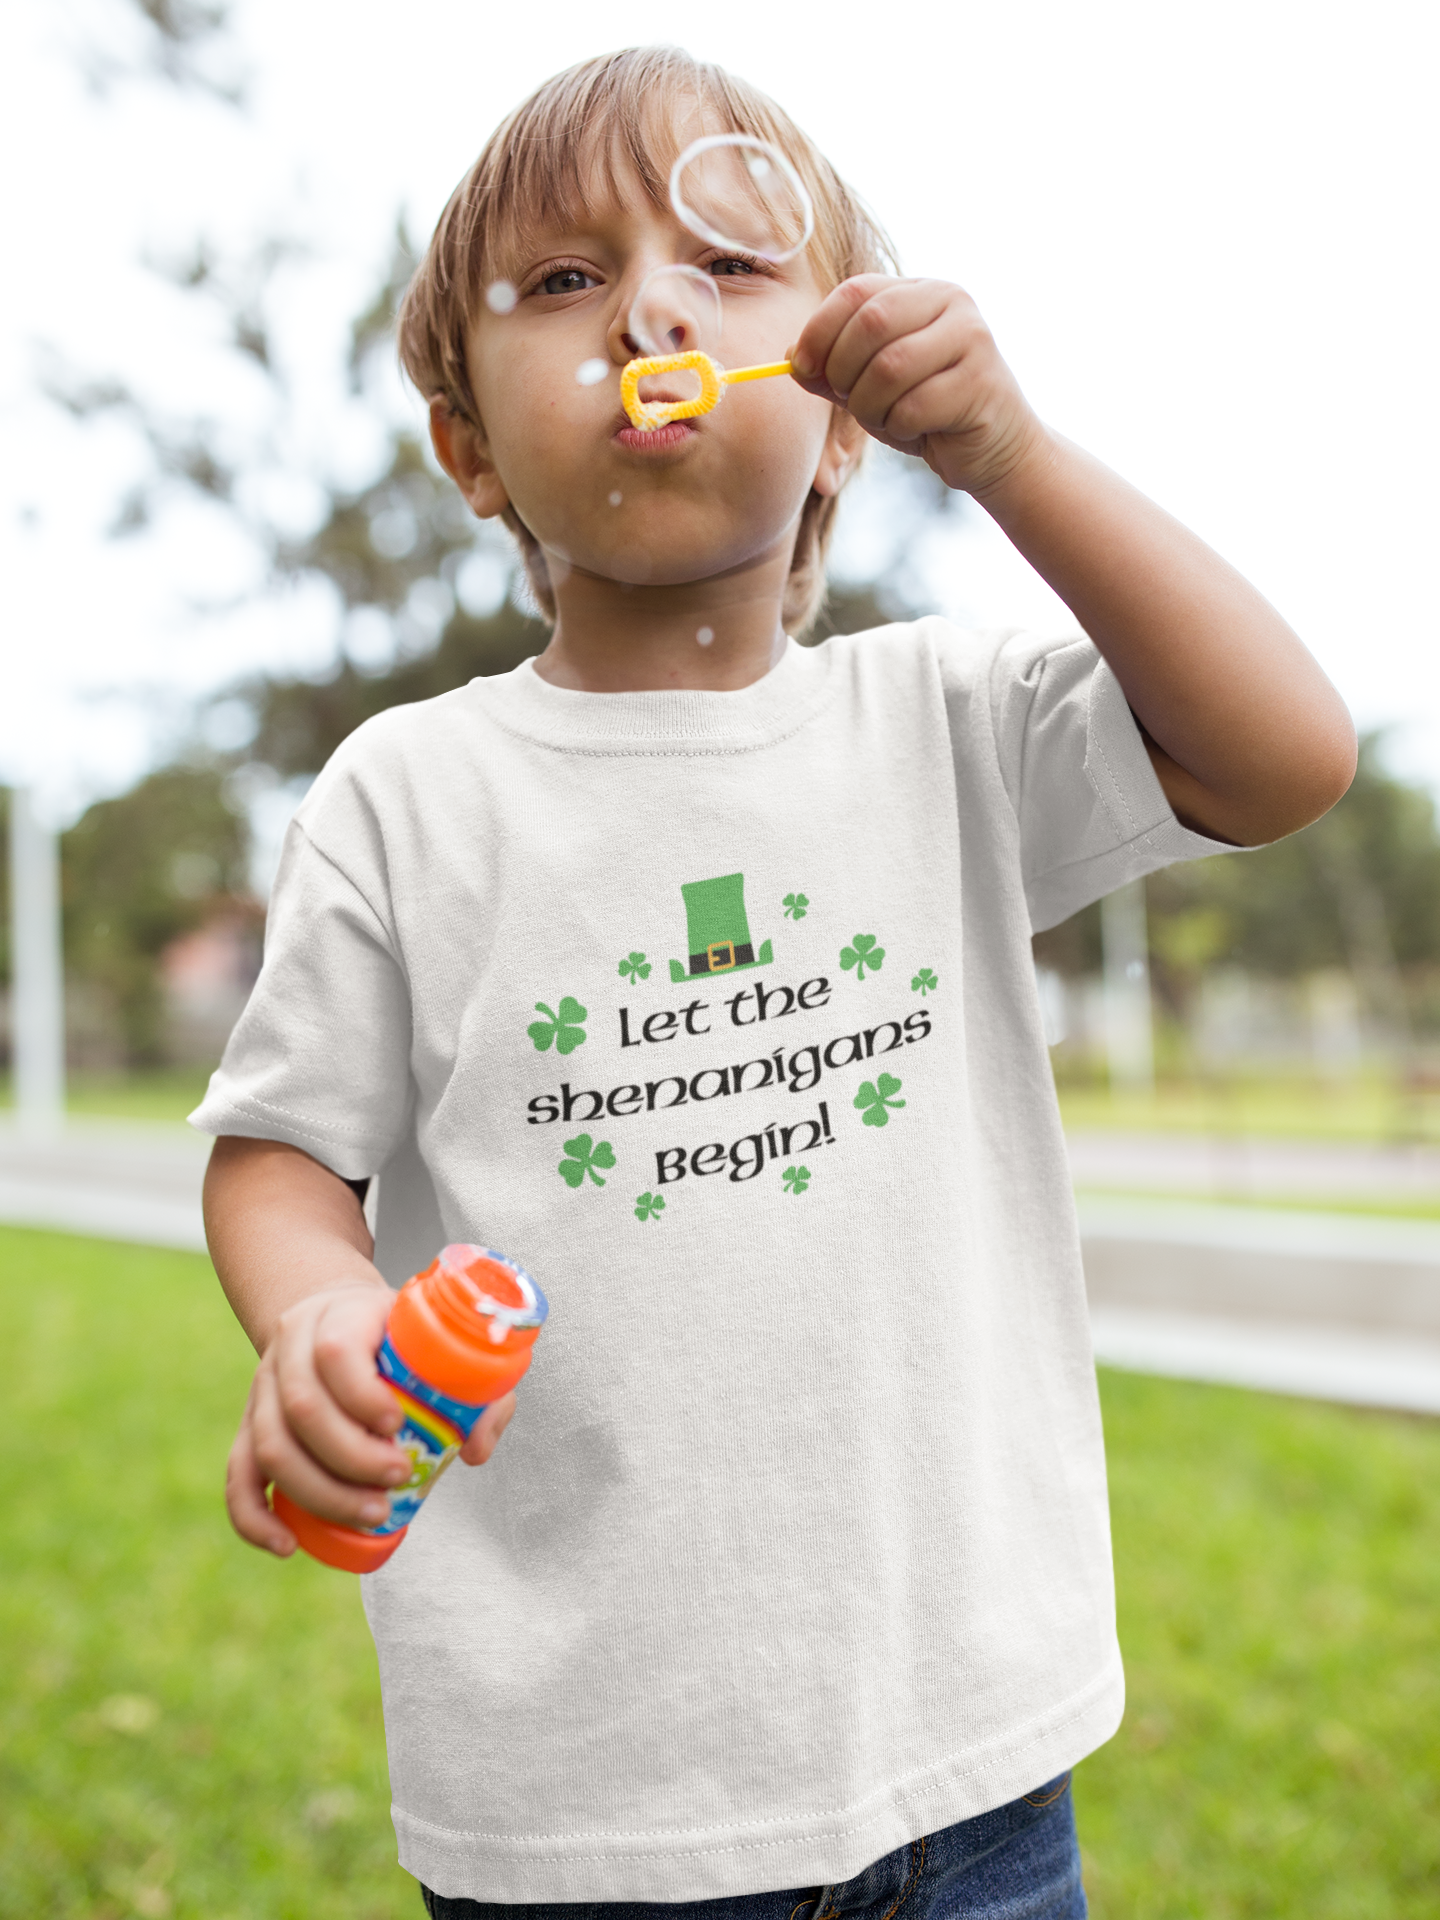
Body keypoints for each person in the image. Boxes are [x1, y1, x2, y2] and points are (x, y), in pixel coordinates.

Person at [193, 45, 1356, 1920]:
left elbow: (1282, 757)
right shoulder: (411, 797)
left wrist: (1019, 459)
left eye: (729, 265)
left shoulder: (950, 722)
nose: (652, 304)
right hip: (579, 1808)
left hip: (972, 1768)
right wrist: (319, 1313)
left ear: (837, 412)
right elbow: (279, 1154)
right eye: (566, 282)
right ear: (470, 445)